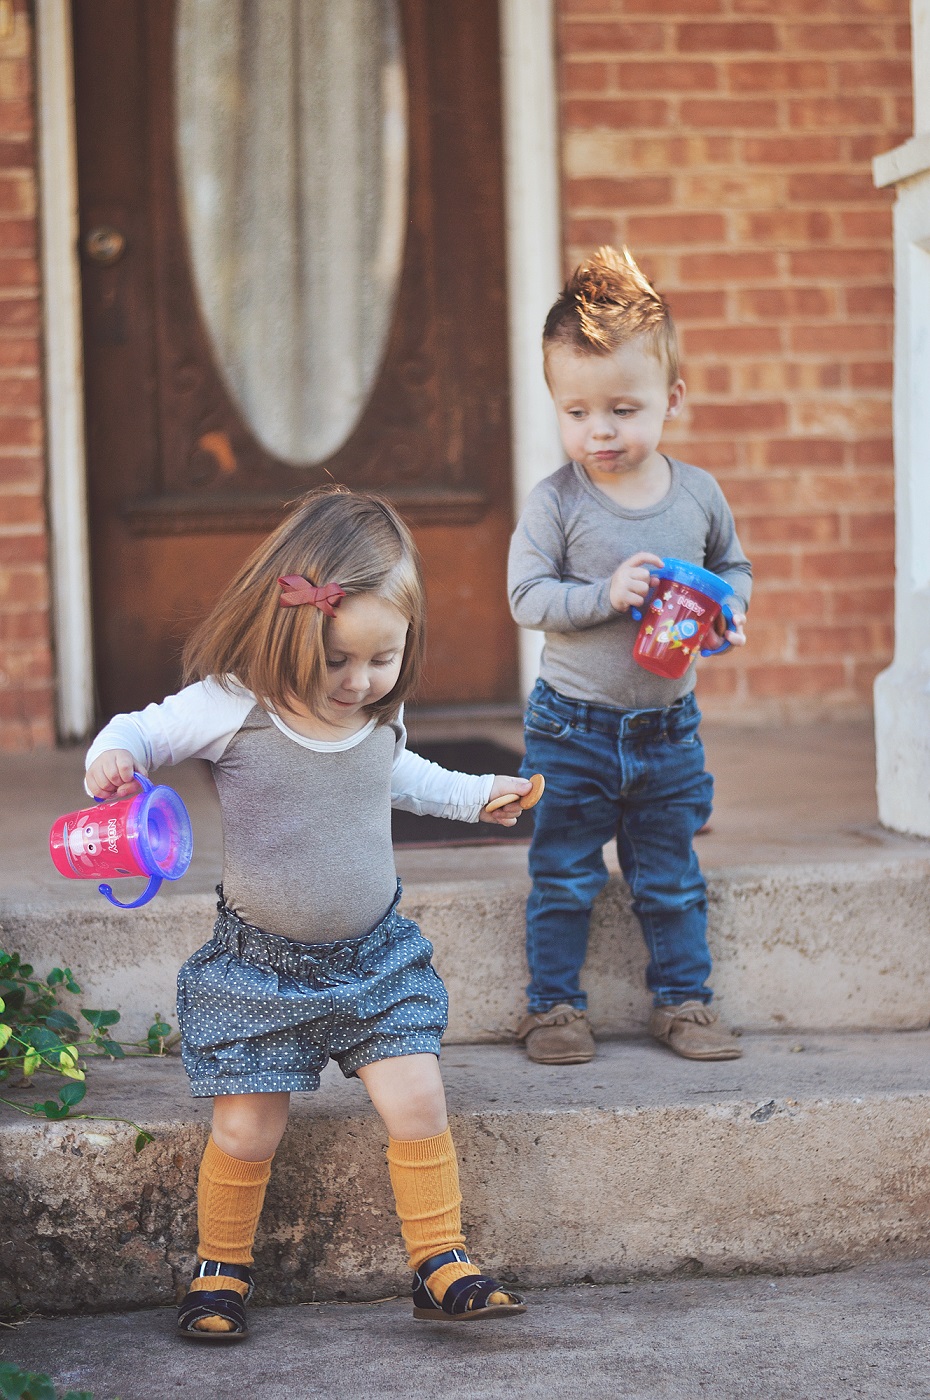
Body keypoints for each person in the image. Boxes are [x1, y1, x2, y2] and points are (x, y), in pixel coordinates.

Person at [85, 486, 530, 1338]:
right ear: (290, 626)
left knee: (419, 1098)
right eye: (337, 660)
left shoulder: (373, 720)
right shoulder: (233, 705)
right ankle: (220, 1269)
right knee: (247, 1126)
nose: (359, 682)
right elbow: (137, 732)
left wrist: (481, 798)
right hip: (262, 971)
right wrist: (112, 764)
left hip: (376, 962)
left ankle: (439, 1259)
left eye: (383, 659)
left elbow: (410, 780)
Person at [508, 246, 752, 1067]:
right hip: (571, 730)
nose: (599, 431)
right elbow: (527, 597)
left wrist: (731, 610)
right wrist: (602, 597)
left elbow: (733, 569)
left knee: (671, 877)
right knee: (566, 876)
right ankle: (553, 1009)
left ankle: (683, 1003)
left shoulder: (699, 496)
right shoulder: (557, 503)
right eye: (576, 412)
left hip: (667, 729)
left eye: (621, 408)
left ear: (671, 399)